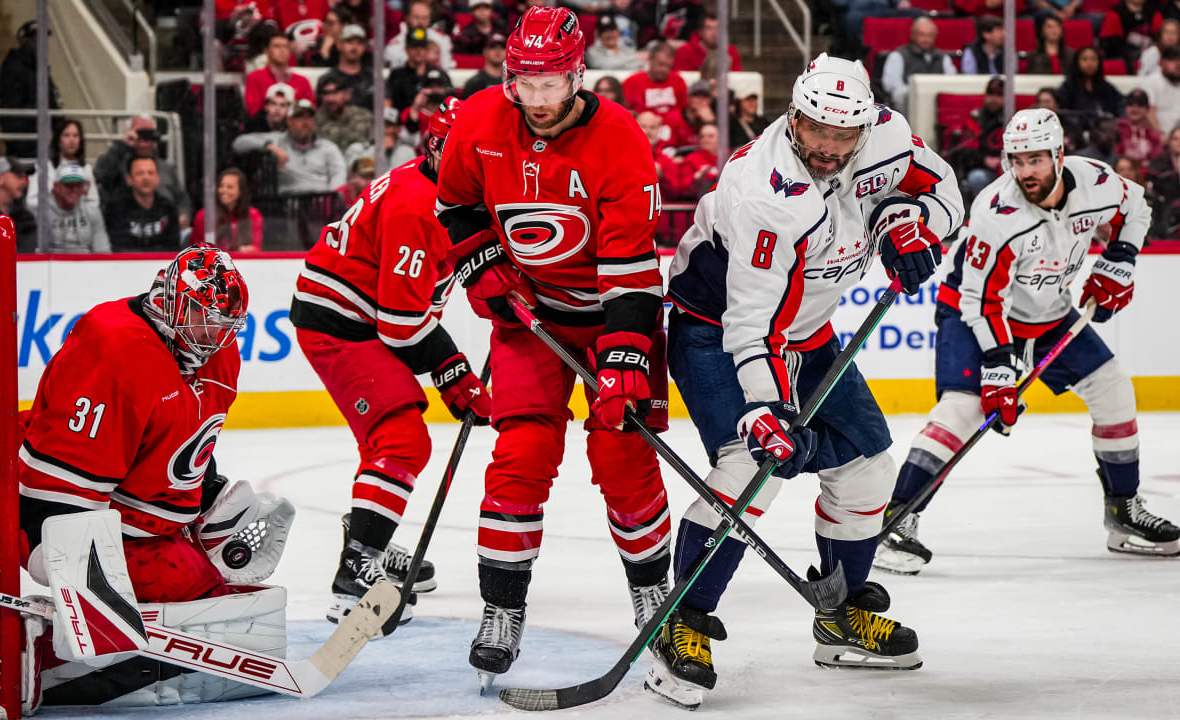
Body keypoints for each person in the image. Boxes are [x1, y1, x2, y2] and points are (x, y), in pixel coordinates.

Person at [652, 53, 964, 708]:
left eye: (841, 134)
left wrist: (909, 223)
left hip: (809, 332)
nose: (827, 145)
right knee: (750, 468)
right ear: (793, 116)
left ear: (864, 126)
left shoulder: (888, 138)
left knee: (869, 469)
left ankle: (840, 616)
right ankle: (682, 622)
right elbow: (751, 322)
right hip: (715, 328)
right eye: (815, 128)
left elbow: (945, 193)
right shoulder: (762, 192)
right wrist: (764, 408)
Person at [435, 6, 674, 684]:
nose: (536, 99)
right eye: (525, 83)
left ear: (577, 76)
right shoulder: (480, 121)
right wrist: (481, 262)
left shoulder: (620, 139)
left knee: (624, 457)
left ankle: (652, 594)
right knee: (521, 454)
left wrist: (624, 355)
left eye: (550, 83)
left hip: (610, 317)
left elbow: (632, 265)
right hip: (528, 318)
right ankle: (501, 609)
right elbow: (456, 206)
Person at [876, 108, 1179, 577]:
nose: (1025, 172)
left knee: (1114, 389)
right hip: (973, 311)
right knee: (963, 409)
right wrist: (998, 366)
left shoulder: (1095, 181)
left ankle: (1123, 512)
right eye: (1016, 161)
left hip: (1049, 312)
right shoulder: (997, 213)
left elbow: (1136, 206)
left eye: (1035, 159)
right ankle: (895, 520)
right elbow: (981, 299)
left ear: (1058, 155)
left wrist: (1120, 258)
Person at [17, 246, 297, 706]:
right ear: (170, 302)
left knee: (215, 600)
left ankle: (139, 663)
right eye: (205, 319)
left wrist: (210, 501)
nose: (215, 335)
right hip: (53, 510)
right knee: (198, 603)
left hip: (133, 521)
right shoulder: (114, 347)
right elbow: (57, 480)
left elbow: (179, 447)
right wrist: (77, 568)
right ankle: (37, 661)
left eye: (226, 325)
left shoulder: (218, 355)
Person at [291, 99, 482, 625]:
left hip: (360, 318)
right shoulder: (417, 206)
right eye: (458, 155)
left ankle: (369, 536)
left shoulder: (447, 193)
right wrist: (451, 368)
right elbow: (399, 323)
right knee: (402, 441)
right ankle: (356, 569)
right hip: (341, 324)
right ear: (437, 149)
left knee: (387, 442)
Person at [232, 99, 347, 196]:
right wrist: (269, 146)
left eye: (309, 117)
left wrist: (331, 198)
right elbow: (238, 143)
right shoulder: (277, 140)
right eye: (299, 117)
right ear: (289, 121)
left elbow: (339, 175)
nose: (305, 122)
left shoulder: (328, 148)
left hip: (321, 202)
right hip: (287, 202)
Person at [93, 116, 191, 229]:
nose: (144, 141)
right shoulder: (117, 164)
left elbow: (181, 198)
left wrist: (183, 214)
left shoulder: (166, 168)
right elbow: (99, 174)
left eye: (149, 134)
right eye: (141, 133)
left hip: (163, 227)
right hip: (126, 227)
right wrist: (123, 145)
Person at [0, 20, 60, 157]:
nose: (41, 45)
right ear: (24, 41)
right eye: (36, 39)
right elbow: (10, 111)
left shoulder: (40, 67)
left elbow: (52, 102)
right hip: (26, 147)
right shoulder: (13, 68)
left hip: (45, 144)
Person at [104, 156, 182, 253]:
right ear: (129, 179)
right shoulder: (116, 209)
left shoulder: (168, 208)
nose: (146, 178)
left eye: (150, 173)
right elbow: (119, 248)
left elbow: (173, 248)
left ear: (157, 178)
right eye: (140, 173)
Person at [881, 17, 956, 114]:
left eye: (930, 35)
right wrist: (917, 96)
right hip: (909, 106)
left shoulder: (943, 57)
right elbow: (892, 86)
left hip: (938, 105)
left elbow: (952, 83)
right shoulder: (898, 55)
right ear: (913, 35)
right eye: (922, 35)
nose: (926, 39)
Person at [25, 119, 99, 212]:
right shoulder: (46, 168)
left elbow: (94, 202)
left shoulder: (86, 169)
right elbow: (32, 201)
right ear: (58, 140)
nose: (71, 139)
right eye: (66, 135)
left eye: (75, 135)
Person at [41, 164, 110, 253]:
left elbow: (103, 250)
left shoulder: (92, 211)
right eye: (69, 185)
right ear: (56, 187)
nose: (75, 190)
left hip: (86, 260)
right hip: (52, 260)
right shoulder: (41, 213)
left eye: (79, 185)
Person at [242, 31, 314, 117]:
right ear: (266, 51)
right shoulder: (254, 78)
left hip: (295, 123)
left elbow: (310, 110)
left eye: (286, 46)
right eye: (277, 46)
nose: (282, 50)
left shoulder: (302, 81)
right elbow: (253, 111)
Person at [192, 168, 264, 252]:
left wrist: (248, 250)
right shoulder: (204, 215)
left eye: (230, 187)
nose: (223, 190)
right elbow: (197, 250)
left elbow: (256, 248)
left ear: (241, 191)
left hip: (243, 260)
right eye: (221, 186)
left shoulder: (253, 214)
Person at [1056, 47, 1126, 120]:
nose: (1089, 63)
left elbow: (1120, 104)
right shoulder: (1068, 87)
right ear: (1076, 62)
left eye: (1093, 59)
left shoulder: (1106, 86)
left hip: (1105, 124)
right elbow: (1063, 111)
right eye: (1084, 59)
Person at [622, 40, 688, 115]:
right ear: (650, 60)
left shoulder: (678, 81)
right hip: (643, 120)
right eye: (661, 64)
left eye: (669, 66)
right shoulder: (632, 82)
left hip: (673, 121)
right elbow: (626, 111)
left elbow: (684, 110)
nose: (664, 69)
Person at [383, 0, 454, 69]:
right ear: (407, 18)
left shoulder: (442, 40)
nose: (420, 22)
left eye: (424, 18)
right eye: (416, 17)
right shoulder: (396, 43)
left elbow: (447, 68)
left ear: (429, 19)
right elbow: (394, 69)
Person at [314, 71, 374, 151]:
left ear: (347, 94)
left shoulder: (364, 117)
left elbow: (374, 146)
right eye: (326, 93)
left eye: (335, 92)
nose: (330, 99)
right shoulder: (313, 120)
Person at [672, 12, 741, 72]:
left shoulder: (731, 52)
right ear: (700, 31)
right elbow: (681, 78)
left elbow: (737, 78)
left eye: (718, 28)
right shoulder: (685, 51)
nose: (714, 33)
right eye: (709, 28)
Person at [1141, 45, 1180, 135]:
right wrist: (1160, 136)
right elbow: (1148, 113)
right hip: (1160, 136)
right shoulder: (1151, 82)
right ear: (1161, 62)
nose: (1178, 64)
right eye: (1172, 60)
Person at [1116, 89, 1163, 163]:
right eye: (1131, 104)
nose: (1135, 108)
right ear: (1125, 107)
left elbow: (1157, 161)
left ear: (1147, 109)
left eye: (1140, 105)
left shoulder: (1153, 135)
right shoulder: (1116, 128)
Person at [464, 32, 508, 97]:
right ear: (484, 51)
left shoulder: (513, 83)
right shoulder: (473, 84)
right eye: (492, 46)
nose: (498, 50)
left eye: (503, 47)